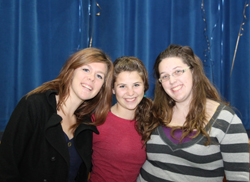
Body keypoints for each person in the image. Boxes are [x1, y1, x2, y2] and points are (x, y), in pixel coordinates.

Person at [137, 44, 249, 182]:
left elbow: (239, 178)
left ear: (193, 71)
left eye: (178, 71)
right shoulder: (156, 113)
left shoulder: (225, 121)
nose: (172, 81)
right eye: (165, 76)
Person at [0, 47, 114, 182]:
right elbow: (6, 166)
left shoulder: (87, 124)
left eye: (99, 76)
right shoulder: (34, 105)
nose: (91, 78)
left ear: (102, 87)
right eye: (86, 69)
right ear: (71, 70)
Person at [88, 56, 152, 182]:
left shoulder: (152, 121)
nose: (130, 92)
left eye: (136, 85)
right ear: (112, 89)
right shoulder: (96, 121)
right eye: (122, 86)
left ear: (144, 86)